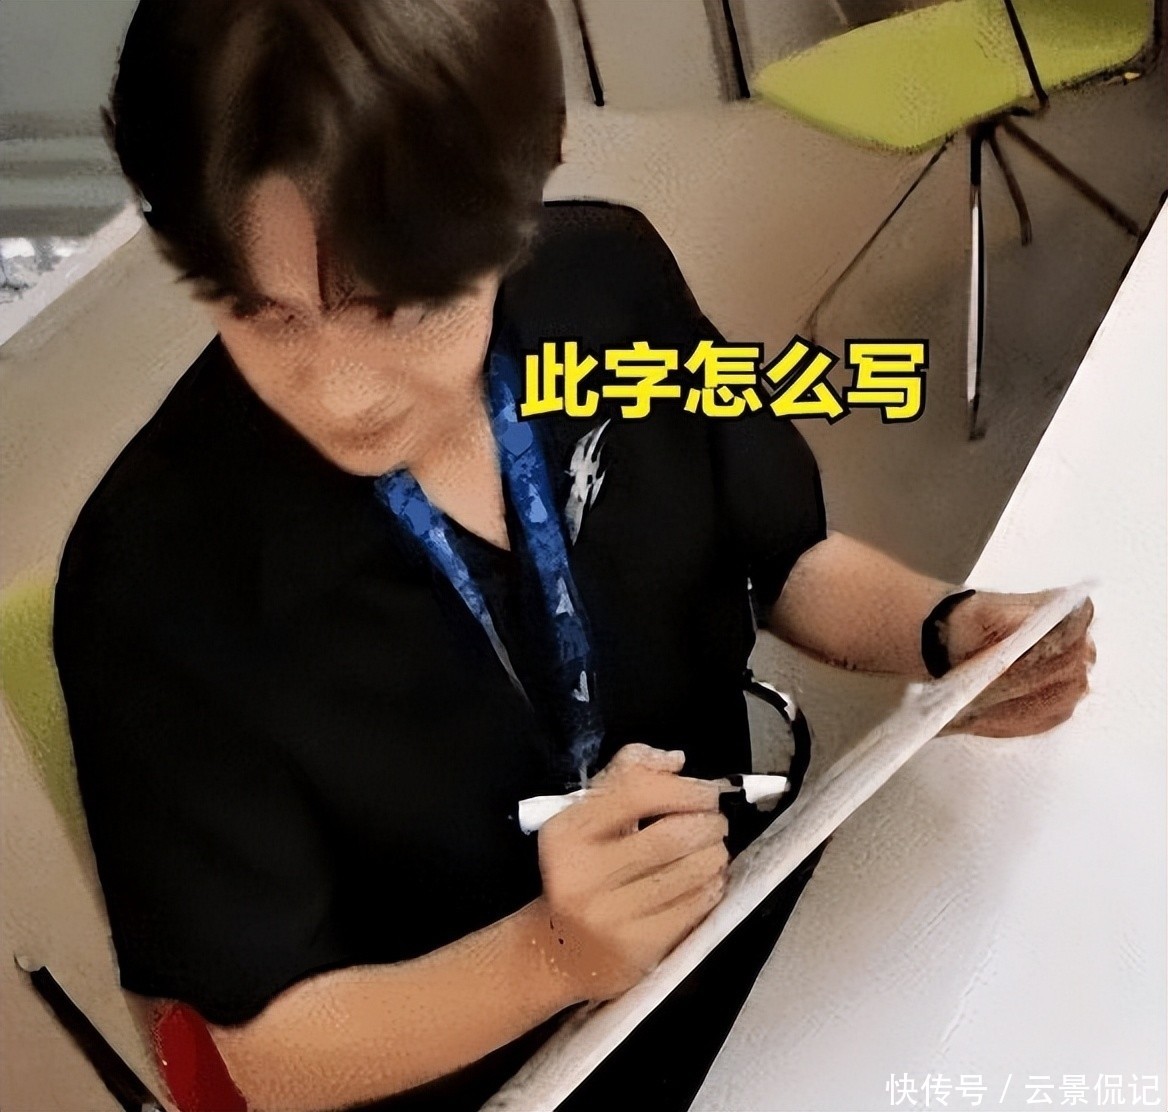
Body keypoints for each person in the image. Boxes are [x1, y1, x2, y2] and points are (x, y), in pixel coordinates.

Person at [51, 1, 1095, 1110]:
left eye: (402, 308)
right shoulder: (149, 580)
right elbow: (272, 1052)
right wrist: (548, 958)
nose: (340, 392)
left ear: (533, 165)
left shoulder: (609, 281)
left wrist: (942, 632)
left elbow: (785, 554)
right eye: (267, 315)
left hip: (736, 926)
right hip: (488, 1076)